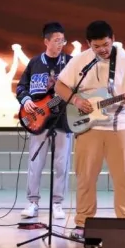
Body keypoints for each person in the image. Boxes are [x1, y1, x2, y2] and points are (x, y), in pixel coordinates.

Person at [54, 20, 125, 240]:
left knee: (123, 179)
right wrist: (76, 100)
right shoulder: (81, 60)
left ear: (113, 39)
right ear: (89, 44)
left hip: (119, 127)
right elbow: (60, 85)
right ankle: (82, 224)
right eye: (97, 46)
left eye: (106, 44)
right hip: (88, 127)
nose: (103, 49)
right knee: (85, 179)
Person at [15, 22, 73, 220]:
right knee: (35, 162)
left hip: (63, 120)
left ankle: (57, 203)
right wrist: (26, 100)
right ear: (46, 41)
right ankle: (32, 202)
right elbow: (21, 86)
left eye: (62, 40)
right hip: (38, 120)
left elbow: (80, 87)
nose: (60, 44)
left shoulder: (70, 63)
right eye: (56, 40)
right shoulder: (34, 63)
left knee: (62, 164)